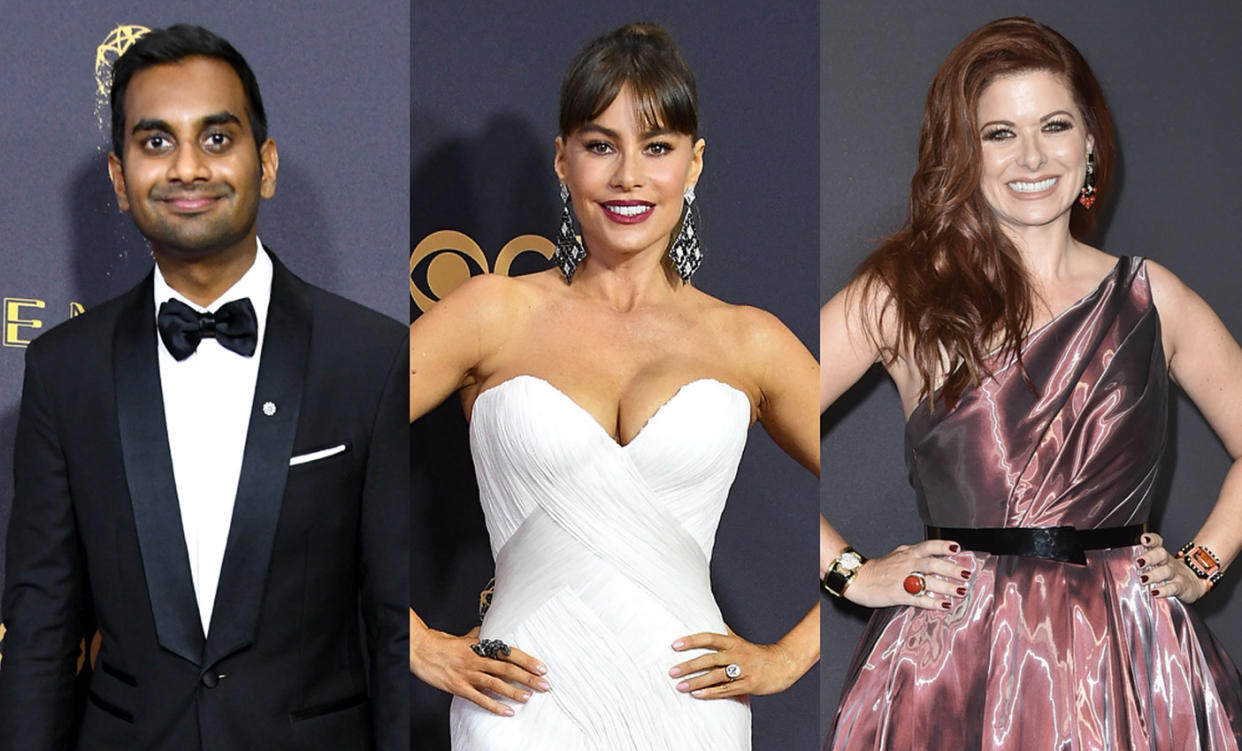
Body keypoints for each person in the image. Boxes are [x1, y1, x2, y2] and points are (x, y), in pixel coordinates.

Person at [819, 16, 1242, 749]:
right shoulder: (902, 295)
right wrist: (849, 572)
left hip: (1133, 664)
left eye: (1054, 125)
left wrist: (1202, 564)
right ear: (965, 153)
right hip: (952, 662)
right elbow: (741, 417)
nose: (1032, 156)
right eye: (999, 133)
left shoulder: (1153, 298)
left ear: (1089, 147)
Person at [409, 23, 818, 750]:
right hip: (517, 708)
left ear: (694, 164)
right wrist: (410, 639)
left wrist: (790, 655)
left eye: (657, 147)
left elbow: (913, 485)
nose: (629, 176)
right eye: (601, 145)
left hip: (691, 709)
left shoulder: (746, 339)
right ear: (562, 160)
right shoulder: (491, 313)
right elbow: (321, 449)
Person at [0, 25, 407, 750]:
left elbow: (391, 623)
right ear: (121, 181)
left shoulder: (369, 357)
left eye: (217, 139)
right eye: (156, 142)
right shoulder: (66, 371)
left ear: (267, 163)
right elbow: (40, 627)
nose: (188, 167)